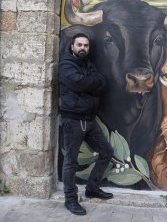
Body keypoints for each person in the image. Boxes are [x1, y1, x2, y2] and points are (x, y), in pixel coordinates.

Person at [59, 33, 114, 216]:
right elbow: (80, 83)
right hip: (73, 120)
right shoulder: (66, 64)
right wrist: (90, 83)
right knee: (70, 162)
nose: (83, 48)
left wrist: (89, 84)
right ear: (72, 46)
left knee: (106, 152)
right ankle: (70, 199)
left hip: (89, 120)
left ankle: (92, 188)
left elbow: (101, 82)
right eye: (79, 45)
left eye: (86, 45)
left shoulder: (88, 64)